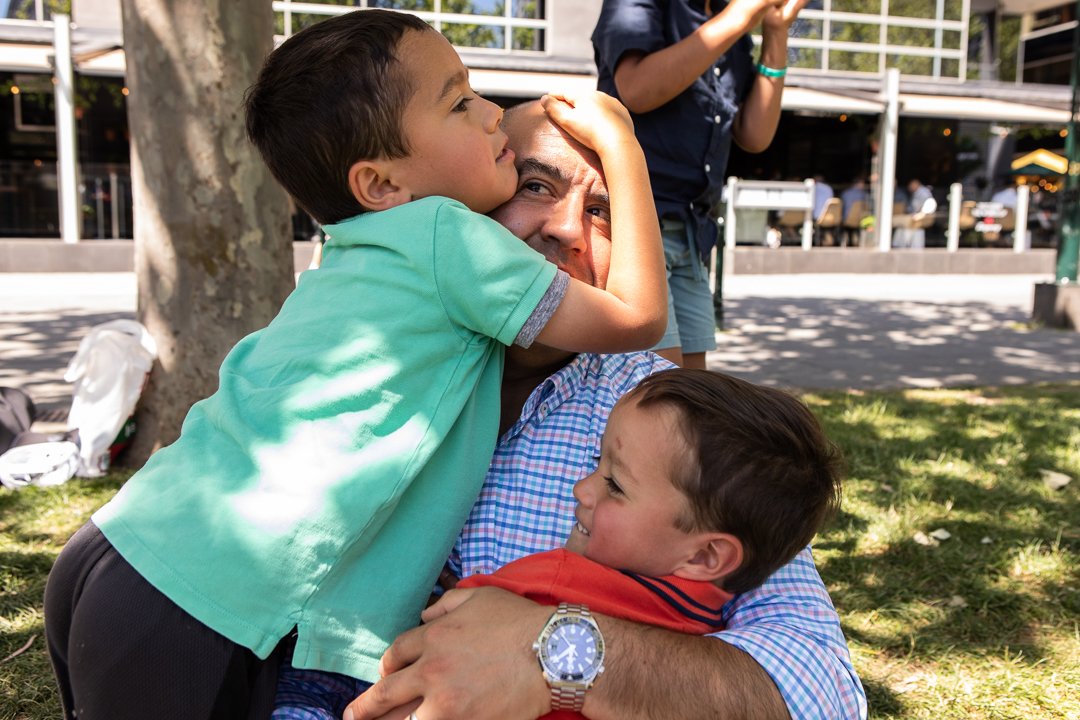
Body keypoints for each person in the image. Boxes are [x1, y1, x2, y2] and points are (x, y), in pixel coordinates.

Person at [43, 10, 667, 718]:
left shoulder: (361, 251)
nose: (490, 112)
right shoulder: (448, 238)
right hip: (189, 596)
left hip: (125, 549)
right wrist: (626, 155)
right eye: (460, 103)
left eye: (606, 208)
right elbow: (639, 318)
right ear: (380, 183)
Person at [337, 100, 867, 720]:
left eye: (602, 212)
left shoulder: (669, 418)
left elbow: (819, 690)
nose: (568, 230)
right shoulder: (354, 364)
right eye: (534, 185)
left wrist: (556, 655)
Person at [450, 367, 844, 720]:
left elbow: (454, 632)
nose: (581, 489)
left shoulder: (549, 579)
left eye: (614, 484)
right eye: (596, 465)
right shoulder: (713, 634)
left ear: (706, 555)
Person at [592, 0, 807, 366]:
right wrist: (738, 17)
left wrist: (775, 32)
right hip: (636, 226)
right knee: (660, 392)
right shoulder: (656, 8)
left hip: (690, 231)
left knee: (691, 396)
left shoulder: (730, 27)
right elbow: (637, 88)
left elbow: (755, 134)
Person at [893, 178, 937, 249]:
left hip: (921, 217)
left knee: (911, 227)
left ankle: (905, 245)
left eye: (910, 185)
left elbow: (930, 203)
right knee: (903, 226)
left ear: (915, 184)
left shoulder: (923, 192)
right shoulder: (917, 192)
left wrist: (922, 213)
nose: (909, 187)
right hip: (915, 217)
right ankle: (901, 245)